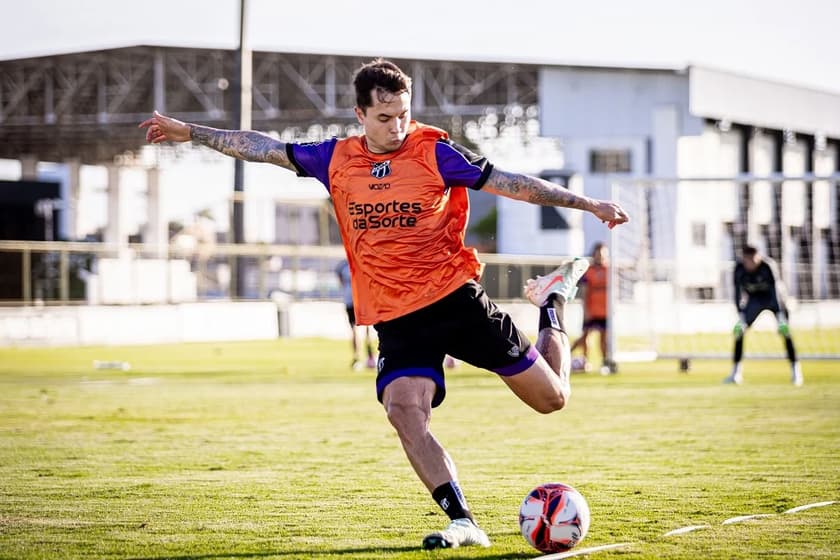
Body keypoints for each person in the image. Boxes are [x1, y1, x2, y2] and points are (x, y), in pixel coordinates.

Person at [140, 58, 629, 550]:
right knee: (403, 411)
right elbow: (263, 147)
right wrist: (192, 133)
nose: (396, 126)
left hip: (455, 300)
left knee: (552, 400)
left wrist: (588, 206)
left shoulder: (434, 153)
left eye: (403, 115)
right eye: (384, 117)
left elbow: (515, 183)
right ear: (360, 114)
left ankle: (552, 301)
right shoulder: (333, 158)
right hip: (396, 317)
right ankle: (463, 520)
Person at [724, 245, 803, 386]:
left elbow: (775, 291)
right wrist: (741, 316)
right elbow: (737, 293)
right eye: (749, 260)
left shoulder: (768, 266)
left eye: (755, 259)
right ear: (744, 259)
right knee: (739, 332)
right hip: (755, 301)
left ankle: (796, 371)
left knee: (785, 332)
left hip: (775, 300)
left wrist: (780, 317)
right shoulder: (739, 269)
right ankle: (736, 373)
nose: (753, 263)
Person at [569, 242, 611, 374]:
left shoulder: (609, 270)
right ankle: (581, 359)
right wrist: (586, 310)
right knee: (585, 336)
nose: (600, 256)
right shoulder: (590, 271)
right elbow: (585, 292)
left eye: (603, 254)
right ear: (594, 255)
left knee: (604, 338)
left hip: (605, 311)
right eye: (598, 254)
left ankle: (605, 362)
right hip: (592, 310)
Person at [336, 259, 377, 370]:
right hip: (356, 301)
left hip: (357, 300)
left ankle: (364, 356)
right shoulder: (349, 264)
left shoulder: (350, 264)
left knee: (362, 328)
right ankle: (363, 357)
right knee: (360, 329)